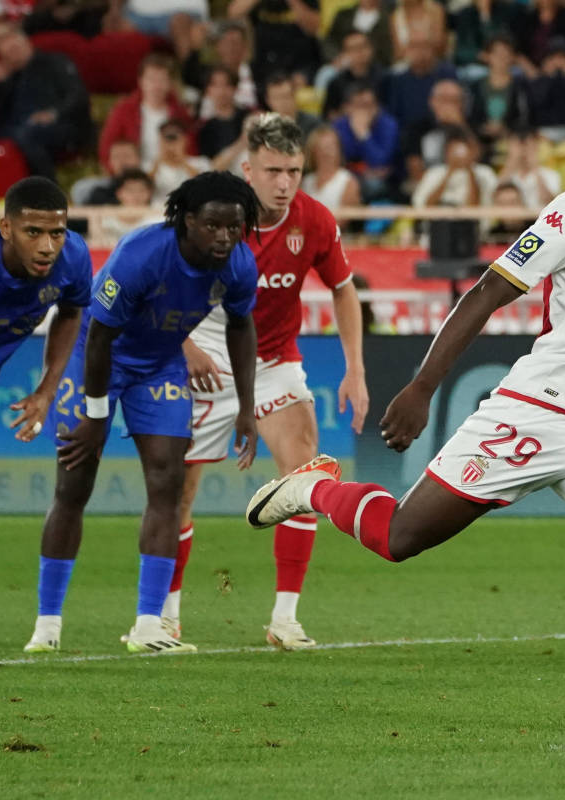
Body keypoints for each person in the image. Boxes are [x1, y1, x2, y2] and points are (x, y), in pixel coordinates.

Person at [244, 78, 565, 737]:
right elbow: (489, 291)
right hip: (533, 414)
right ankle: (315, 491)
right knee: (400, 538)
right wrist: (424, 386)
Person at [22, 171, 262, 655]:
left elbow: (241, 327)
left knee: (168, 484)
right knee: (73, 487)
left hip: (159, 367)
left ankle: (149, 625)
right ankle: (47, 626)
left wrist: (247, 407)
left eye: (234, 228)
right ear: (188, 220)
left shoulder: (238, 265)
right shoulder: (142, 254)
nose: (224, 237)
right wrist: (94, 413)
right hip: (96, 360)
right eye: (214, 226)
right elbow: (98, 336)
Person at [173, 115, 369, 649]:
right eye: (273, 170)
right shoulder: (215, 217)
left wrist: (354, 368)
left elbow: (344, 290)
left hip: (274, 359)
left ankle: (285, 619)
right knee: (177, 490)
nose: (284, 183)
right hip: (207, 348)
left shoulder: (315, 221)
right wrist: (184, 346)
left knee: (304, 473)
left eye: (294, 171)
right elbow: (162, 286)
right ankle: (164, 619)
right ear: (247, 168)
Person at [0, 177, 91, 555]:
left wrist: (46, 391)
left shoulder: (74, 259)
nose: (47, 246)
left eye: (57, 233)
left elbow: (71, 312)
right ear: (6, 228)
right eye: (33, 232)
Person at [0, 20, 91, 179]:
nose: (12, 52)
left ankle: (49, 191)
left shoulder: (55, 62)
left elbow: (78, 95)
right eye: (7, 50)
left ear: (27, 43)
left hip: (60, 124)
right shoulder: (9, 75)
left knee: (27, 135)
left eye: (15, 46)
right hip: (15, 128)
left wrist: (53, 113)